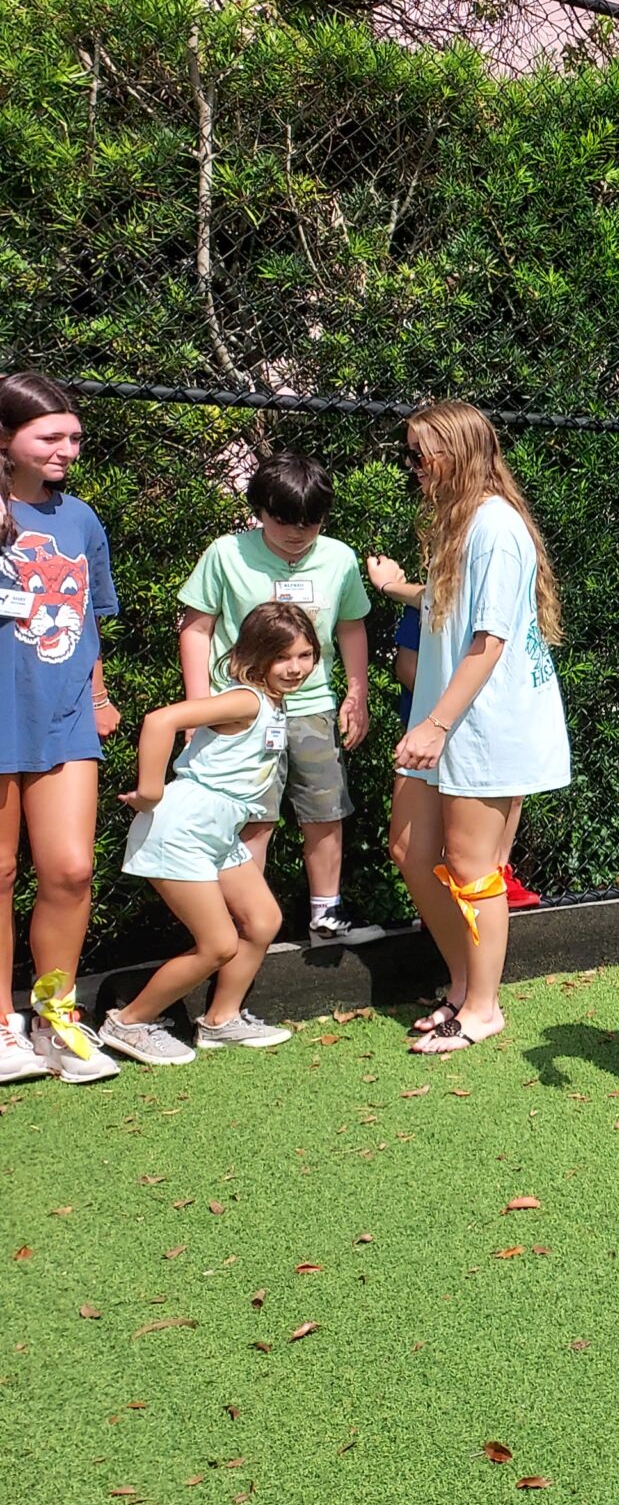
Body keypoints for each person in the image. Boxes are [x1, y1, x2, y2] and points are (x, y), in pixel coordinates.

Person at [369, 400, 572, 1056]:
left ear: (456, 453)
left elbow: (489, 640)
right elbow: (448, 601)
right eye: (410, 453)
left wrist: (434, 724)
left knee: (470, 864)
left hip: (482, 724)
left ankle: (483, 1008)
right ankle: (463, 985)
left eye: (421, 453)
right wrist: (398, 588)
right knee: (410, 849)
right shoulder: (461, 523)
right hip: (451, 719)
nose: (413, 465)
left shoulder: (494, 526)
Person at [97, 604, 320, 1063]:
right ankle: (129, 1022)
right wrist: (151, 791)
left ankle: (221, 1019)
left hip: (217, 830)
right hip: (183, 827)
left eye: (305, 655)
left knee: (262, 921)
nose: (295, 668)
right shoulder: (247, 700)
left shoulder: (273, 703)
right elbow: (161, 720)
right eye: (282, 657)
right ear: (257, 657)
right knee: (218, 944)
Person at [175, 453, 372, 942]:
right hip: (242, 711)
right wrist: (197, 711)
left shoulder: (339, 558)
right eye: (284, 520)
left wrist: (357, 693)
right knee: (251, 819)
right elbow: (196, 628)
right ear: (260, 510)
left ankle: (326, 914)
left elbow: (351, 626)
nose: (297, 533)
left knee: (325, 811)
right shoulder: (226, 554)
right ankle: (244, 924)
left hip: (313, 708)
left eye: (311, 522)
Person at [0, 373, 123, 1087]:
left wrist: (99, 695)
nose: (67, 450)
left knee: (71, 870)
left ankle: (55, 1020)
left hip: (66, 712)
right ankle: (2, 1026)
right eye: (49, 436)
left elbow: (88, 619)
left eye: (74, 437)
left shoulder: (79, 518)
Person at [386, 600, 542, 915]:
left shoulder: (505, 599)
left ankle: (497, 872)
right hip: (438, 728)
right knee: (438, 835)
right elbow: (406, 665)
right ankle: (449, 904)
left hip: (488, 723)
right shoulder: (431, 599)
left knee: (509, 797)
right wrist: (447, 709)